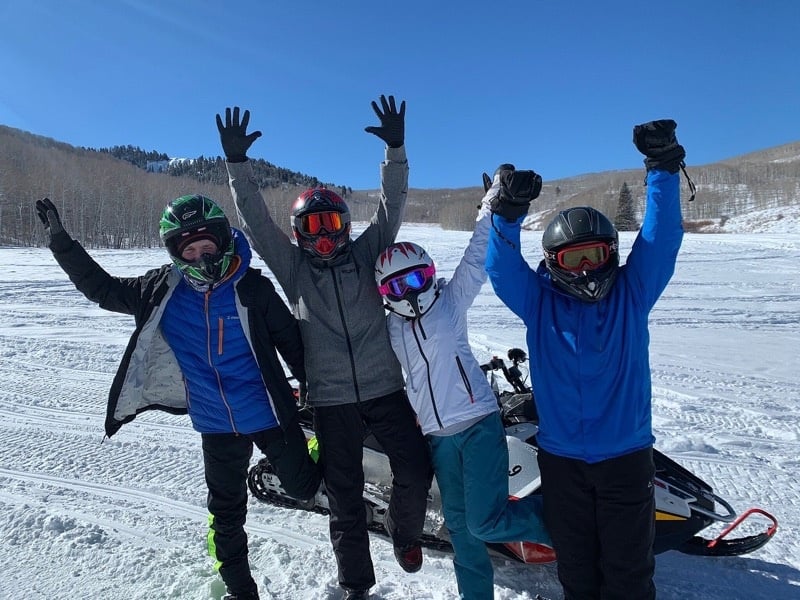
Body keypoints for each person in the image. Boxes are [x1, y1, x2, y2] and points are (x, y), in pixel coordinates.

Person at [34, 194, 321, 600]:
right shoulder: (161, 290)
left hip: (269, 413)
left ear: (222, 242)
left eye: (207, 247)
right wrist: (63, 245)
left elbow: (294, 346)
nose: (202, 257)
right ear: (176, 254)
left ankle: (311, 443)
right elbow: (102, 290)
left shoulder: (253, 289)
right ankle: (241, 590)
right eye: (190, 251)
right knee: (225, 512)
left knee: (304, 488)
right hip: (215, 422)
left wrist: (320, 397)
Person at [215, 96, 433, 600]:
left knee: (417, 469)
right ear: (299, 234)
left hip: (384, 389)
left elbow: (391, 205)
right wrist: (237, 164)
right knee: (344, 496)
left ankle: (404, 532)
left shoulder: (367, 253)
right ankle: (356, 584)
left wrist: (396, 152)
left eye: (330, 225)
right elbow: (256, 222)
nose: (324, 237)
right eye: (312, 228)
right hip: (332, 402)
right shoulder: (294, 270)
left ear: (345, 226)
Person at [484, 120, 688, 600]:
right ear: (553, 263)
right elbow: (501, 267)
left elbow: (661, 240)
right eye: (572, 259)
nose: (585, 270)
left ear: (611, 253)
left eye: (593, 255)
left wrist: (662, 168)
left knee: (628, 577)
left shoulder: (632, 293)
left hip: (626, 462)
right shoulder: (538, 302)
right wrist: (507, 214)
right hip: (563, 466)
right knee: (576, 575)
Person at [373, 171, 553, 600]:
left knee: (484, 521)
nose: (409, 292)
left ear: (429, 275)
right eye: (397, 285)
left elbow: (475, 257)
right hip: (438, 439)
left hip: (477, 426)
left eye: (415, 279)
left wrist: (491, 205)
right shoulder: (390, 329)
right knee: (462, 532)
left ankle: (570, 521)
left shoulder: (449, 304)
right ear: (385, 292)